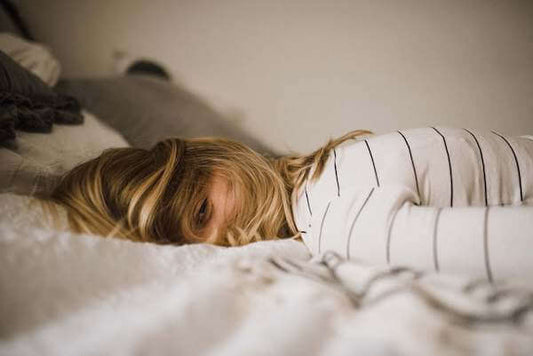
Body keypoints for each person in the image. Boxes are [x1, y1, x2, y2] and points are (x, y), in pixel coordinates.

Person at [51, 128, 533, 281]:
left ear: (215, 157)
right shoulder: (329, 176)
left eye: (202, 212)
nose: (219, 243)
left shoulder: (338, 218)